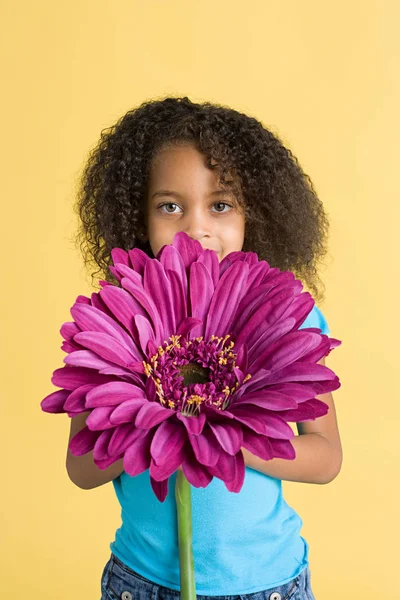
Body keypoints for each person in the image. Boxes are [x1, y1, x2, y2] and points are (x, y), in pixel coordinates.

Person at [66, 96, 343, 600]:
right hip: (144, 582)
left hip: (267, 582)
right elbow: (80, 469)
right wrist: (146, 428)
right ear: (137, 215)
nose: (196, 227)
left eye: (220, 205)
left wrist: (228, 438)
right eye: (170, 206)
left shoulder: (286, 317)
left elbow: (325, 458)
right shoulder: (116, 319)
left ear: (253, 214)